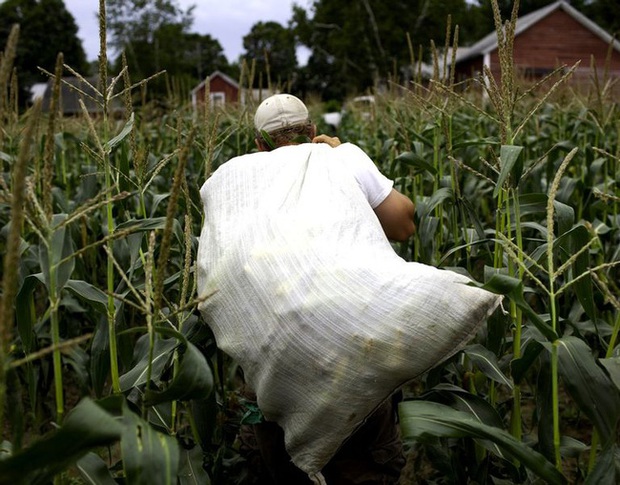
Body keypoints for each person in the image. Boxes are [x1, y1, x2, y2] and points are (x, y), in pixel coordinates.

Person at [198, 93, 416, 483]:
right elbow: (403, 225)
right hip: (353, 357)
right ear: (313, 131)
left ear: (259, 144)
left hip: (271, 371)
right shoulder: (338, 159)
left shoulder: (230, 182)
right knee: (363, 469)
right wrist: (340, 153)